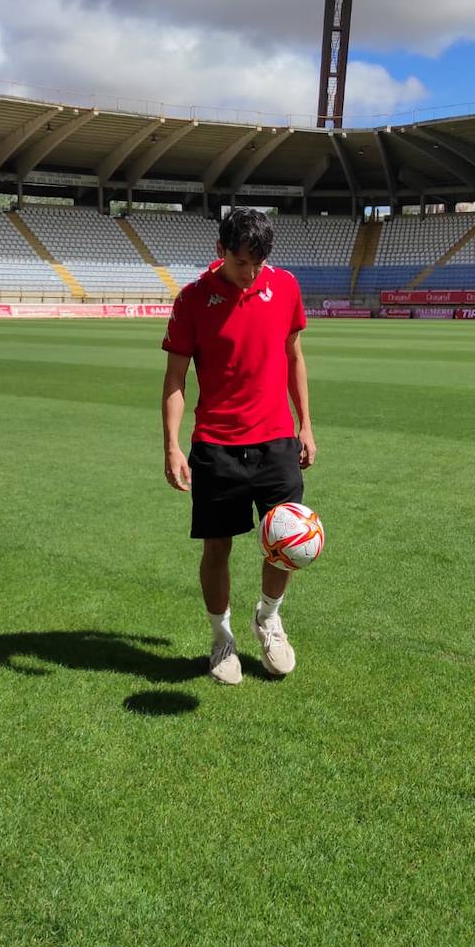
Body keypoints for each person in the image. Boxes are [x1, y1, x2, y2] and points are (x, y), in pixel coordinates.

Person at [160, 208, 316, 685]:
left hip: (277, 442)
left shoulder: (285, 286)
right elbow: (174, 377)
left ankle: (268, 618)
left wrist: (306, 424)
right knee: (217, 547)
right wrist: (171, 446)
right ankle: (221, 638)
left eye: (258, 262)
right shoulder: (192, 300)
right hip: (216, 445)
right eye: (240, 261)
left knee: (285, 544)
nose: (249, 273)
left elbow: (294, 356)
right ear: (220, 250)